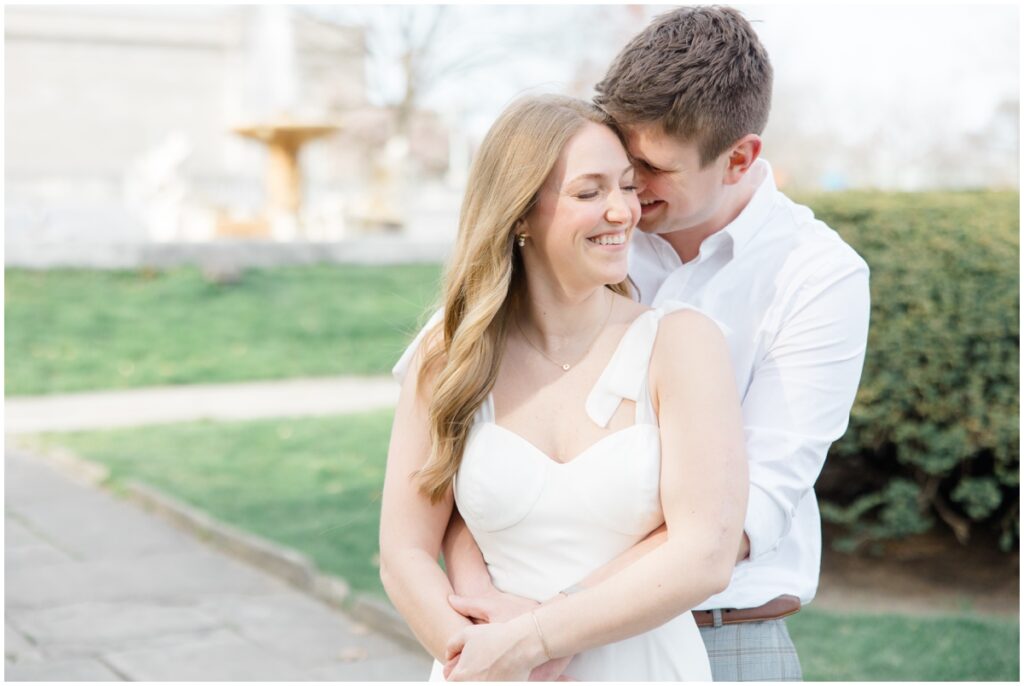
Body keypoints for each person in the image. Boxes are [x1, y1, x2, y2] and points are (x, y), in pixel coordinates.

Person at [437, 6, 872, 682]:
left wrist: (551, 624)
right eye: (618, 157)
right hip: (520, 631)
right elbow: (480, 456)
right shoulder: (592, 237)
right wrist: (496, 609)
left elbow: (741, 519)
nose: (628, 190)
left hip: (719, 640)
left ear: (739, 159)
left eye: (651, 168)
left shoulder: (817, 278)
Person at [380, 93, 748, 680]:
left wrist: (532, 641)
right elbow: (404, 554)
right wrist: (473, 657)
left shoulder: (681, 346)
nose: (623, 211)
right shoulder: (450, 356)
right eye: (589, 191)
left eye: (627, 186)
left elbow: (704, 554)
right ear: (520, 212)